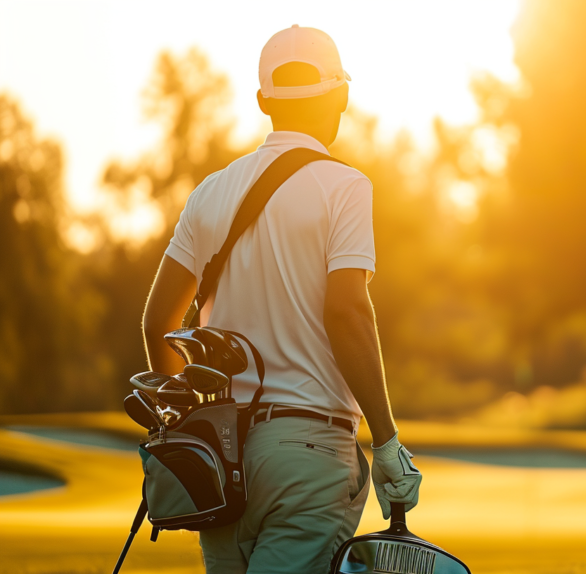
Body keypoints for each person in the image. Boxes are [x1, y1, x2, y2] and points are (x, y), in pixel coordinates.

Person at [141, 25, 421, 573]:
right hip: (309, 458)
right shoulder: (345, 187)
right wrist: (386, 443)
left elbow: (157, 324)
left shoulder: (210, 192)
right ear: (340, 96)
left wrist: (188, 428)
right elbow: (346, 312)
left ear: (264, 101)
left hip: (224, 462)